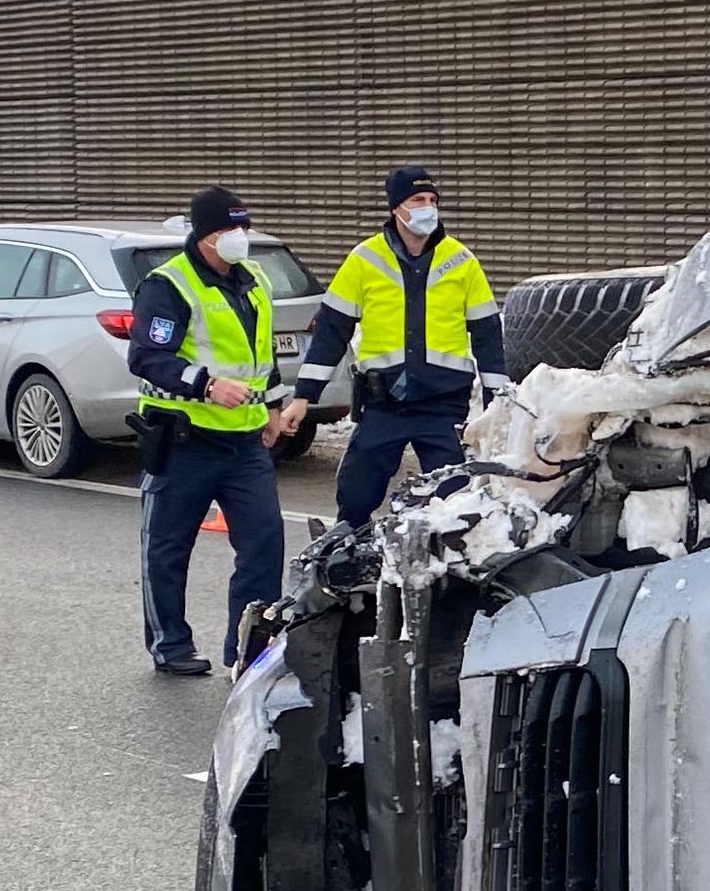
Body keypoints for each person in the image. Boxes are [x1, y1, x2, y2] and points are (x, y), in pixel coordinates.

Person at [130, 184, 291, 679]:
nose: (238, 237)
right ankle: (170, 645)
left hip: (243, 442)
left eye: (242, 226)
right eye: (227, 229)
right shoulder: (169, 286)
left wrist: (272, 406)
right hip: (183, 440)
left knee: (264, 543)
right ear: (203, 236)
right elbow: (146, 357)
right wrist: (205, 384)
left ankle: (248, 652)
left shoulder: (254, 278)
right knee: (168, 548)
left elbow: (262, 355)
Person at [296, 165, 508, 529]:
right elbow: (332, 332)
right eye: (417, 200)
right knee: (356, 495)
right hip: (384, 404)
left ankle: (448, 575)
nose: (428, 207)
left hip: (443, 406)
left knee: (457, 501)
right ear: (396, 208)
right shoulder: (365, 259)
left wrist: (497, 401)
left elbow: (488, 336)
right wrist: (304, 396)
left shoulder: (461, 260)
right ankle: (347, 560)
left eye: (432, 200)